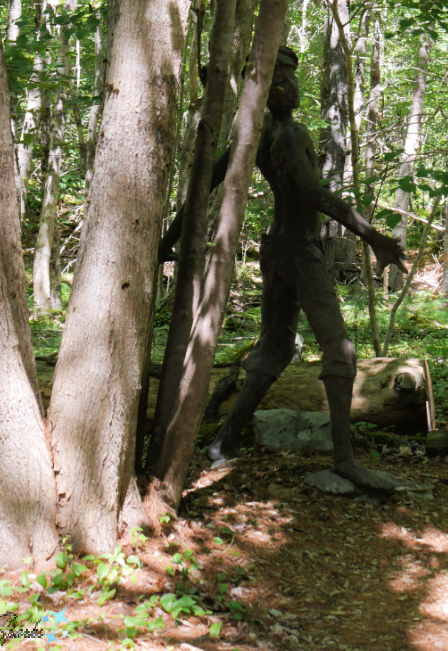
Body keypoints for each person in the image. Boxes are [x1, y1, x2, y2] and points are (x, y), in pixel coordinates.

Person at [160, 46, 405, 492]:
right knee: (340, 350)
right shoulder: (285, 134)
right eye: (278, 81)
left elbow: (205, 184)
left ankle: (223, 442)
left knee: (273, 348)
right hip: (298, 251)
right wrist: (375, 238)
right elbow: (312, 194)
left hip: (275, 249)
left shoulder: (258, 134)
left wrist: (166, 240)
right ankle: (345, 461)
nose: (290, 88)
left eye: (292, 78)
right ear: (262, 91)